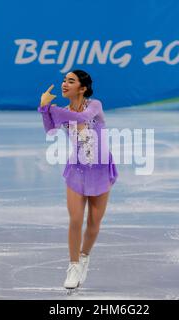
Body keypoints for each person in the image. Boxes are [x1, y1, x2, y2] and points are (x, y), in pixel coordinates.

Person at [37, 70, 118, 289]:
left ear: (82, 88)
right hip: (77, 169)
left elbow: (81, 118)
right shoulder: (62, 112)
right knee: (75, 219)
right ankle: (73, 266)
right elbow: (50, 131)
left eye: (70, 81)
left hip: (100, 168)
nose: (64, 84)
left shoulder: (95, 106)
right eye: (64, 80)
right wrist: (44, 109)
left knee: (93, 222)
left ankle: (84, 258)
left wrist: (49, 108)